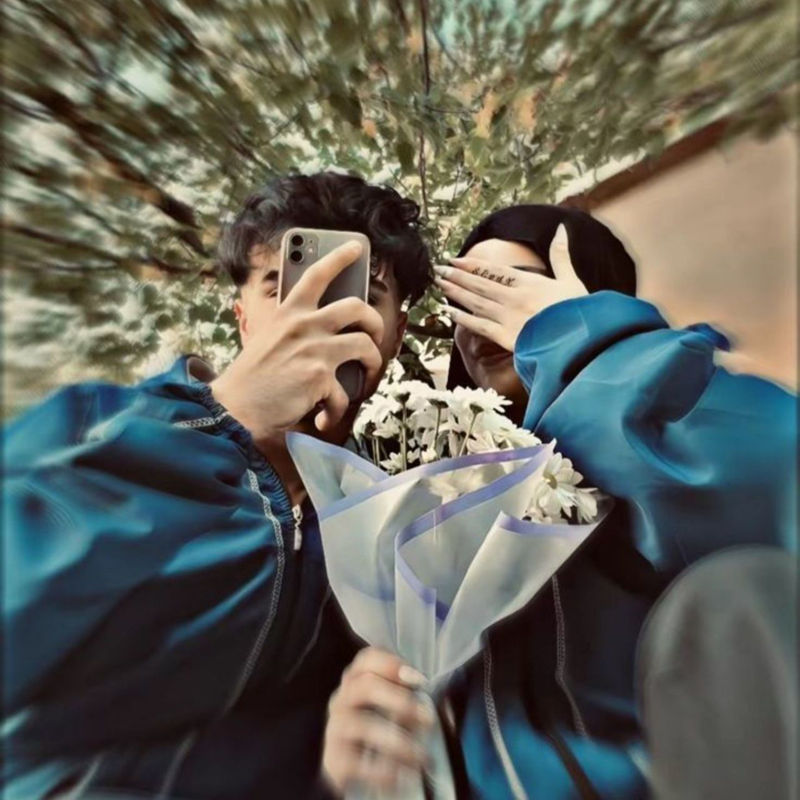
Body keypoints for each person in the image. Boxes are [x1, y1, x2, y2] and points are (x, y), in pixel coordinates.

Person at [322, 205, 797, 798]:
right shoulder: (430, 477)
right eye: (465, 302)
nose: (482, 317)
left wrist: (578, 337)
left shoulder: (698, 409)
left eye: (509, 285)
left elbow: (768, 493)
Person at [1, 172, 436, 799]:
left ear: (396, 333)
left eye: (360, 294)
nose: (318, 315)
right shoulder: (92, 424)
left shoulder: (384, 508)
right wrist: (231, 419)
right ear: (242, 319)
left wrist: (333, 771)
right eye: (283, 288)